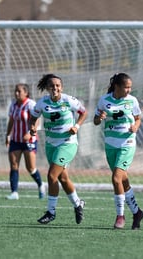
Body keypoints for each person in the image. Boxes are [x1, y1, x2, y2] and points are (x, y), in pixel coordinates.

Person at [29, 74, 87, 225]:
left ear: (61, 87)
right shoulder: (42, 103)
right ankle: (78, 204)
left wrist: (77, 126)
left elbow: (83, 112)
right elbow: (34, 117)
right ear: (47, 88)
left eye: (57, 85)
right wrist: (33, 127)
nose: (55, 88)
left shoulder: (68, 100)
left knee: (51, 176)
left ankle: (51, 212)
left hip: (67, 143)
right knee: (62, 178)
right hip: (51, 144)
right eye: (52, 86)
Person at [94, 73, 143, 230]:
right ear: (117, 86)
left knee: (116, 178)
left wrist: (135, 127)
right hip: (110, 144)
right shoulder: (104, 100)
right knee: (123, 180)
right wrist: (100, 117)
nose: (129, 90)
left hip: (127, 143)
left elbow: (138, 118)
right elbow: (96, 121)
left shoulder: (132, 101)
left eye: (130, 87)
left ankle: (120, 216)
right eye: (126, 87)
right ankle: (137, 212)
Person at [5, 83, 46, 200]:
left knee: (30, 167)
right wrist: (7, 135)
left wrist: (30, 133)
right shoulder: (13, 105)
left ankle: (41, 185)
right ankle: (14, 192)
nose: (16, 93)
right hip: (16, 140)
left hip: (30, 140)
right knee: (14, 165)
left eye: (19, 91)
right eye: (15, 91)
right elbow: (11, 121)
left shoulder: (31, 104)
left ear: (26, 93)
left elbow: (37, 120)